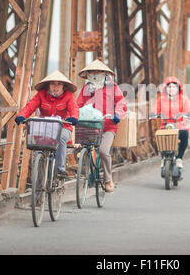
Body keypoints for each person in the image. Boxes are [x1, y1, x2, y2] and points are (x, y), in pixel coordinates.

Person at [14, 70, 79, 177]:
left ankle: (60, 168)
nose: (56, 87)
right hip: (45, 127)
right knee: (39, 147)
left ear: (63, 86)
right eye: (53, 84)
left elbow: (74, 109)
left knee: (61, 138)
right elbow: (30, 106)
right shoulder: (41, 94)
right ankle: (39, 185)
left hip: (64, 126)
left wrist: (74, 118)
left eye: (59, 84)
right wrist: (22, 116)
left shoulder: (69, 95)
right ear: (48, 85)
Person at [76, 59, 127, 193]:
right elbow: (78, 104)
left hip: (108, 126)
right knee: (84, 149)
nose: (95, 74)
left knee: (104, 151)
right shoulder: (86, 89)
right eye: (92, 72)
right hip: (90, 125)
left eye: (98, 72)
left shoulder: (113, 87)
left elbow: (121, 102)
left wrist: (117, 115)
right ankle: (88, 171)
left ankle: (108, 179)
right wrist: (74, 116)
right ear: (88, 74)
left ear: (105, 73)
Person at [153, 76, 190, 178]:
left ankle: (180, 158)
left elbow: (189, 110)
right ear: (165, 89)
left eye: (174, 87)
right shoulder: (161, 100)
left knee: (185, 133)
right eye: (169, 87)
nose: (171, 89)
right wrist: (153, 114)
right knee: (160, 136)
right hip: (165, 125)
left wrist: (189, 114)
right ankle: (163, 157)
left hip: (180, 125)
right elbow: (155, 110)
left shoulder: (183, 99)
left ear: (178, 88)